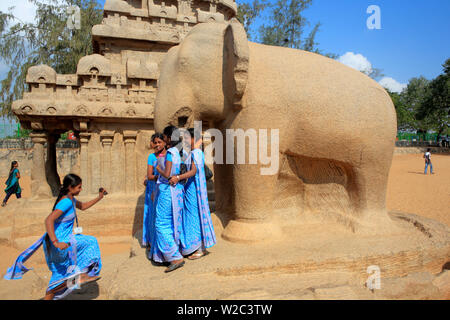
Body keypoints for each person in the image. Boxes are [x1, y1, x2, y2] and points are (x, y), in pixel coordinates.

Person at [4, 174, 107, 300]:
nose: (81, 189)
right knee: (91, 242)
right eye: (79, 187)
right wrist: (56, 242)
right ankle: (82, 275)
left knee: (61, 276)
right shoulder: (66, 202)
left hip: (59, 243)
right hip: (61, 243)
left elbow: (83, 206)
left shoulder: (71, 199)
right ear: (70, 187)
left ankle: (68, 283)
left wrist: (99, 197)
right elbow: (48, 220)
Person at [171, 128, 216, 259]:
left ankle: (200, 248)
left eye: (186, 138)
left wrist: (178, 177)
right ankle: (194, 246)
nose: (185, 141)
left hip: (194, 190)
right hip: (191, 189)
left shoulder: (196, 153)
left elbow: (193, 171)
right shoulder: (195, 153)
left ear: (194, 139)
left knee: (195, 217)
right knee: (192, 217)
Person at [150, 125, 185, 272]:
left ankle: (174, 257)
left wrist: (157, 168)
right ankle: (168, 255)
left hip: (167, 191)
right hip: (176, 191)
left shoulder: (170, 153)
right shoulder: (178, 152)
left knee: (161, 223)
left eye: (164, 137)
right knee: (171, 223)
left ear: (169, 138)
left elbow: (167, 174)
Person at [142, 133, 166, 248]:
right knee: (153, 214)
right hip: (153, 188)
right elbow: (149, 175)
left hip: (164, 188)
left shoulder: (168, 155)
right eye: (155, 142)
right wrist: (161, 176)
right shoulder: (152, 157)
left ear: (164, 143)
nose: (157, 145)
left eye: (159, 142)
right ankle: (152, 241)